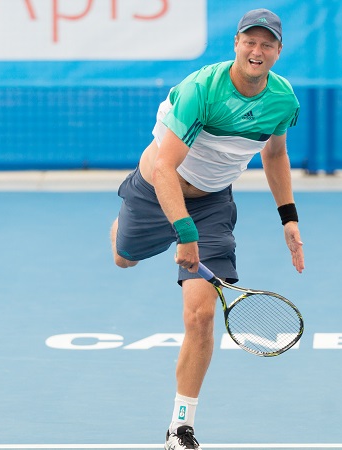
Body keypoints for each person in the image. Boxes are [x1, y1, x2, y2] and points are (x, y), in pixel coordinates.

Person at [108, 8, 304, 450]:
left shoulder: (283, 99)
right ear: (236, 43)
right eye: (249, 41)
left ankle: (179, 427)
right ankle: (126, 228)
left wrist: (288, 217)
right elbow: (164, 166)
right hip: (156, 189)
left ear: (278, 50)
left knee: (200, 316)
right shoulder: (202, 90)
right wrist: (183, 231)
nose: (257, 51)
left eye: (266, 43)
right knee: (124, 257)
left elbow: (274, 155)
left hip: (214, 204)